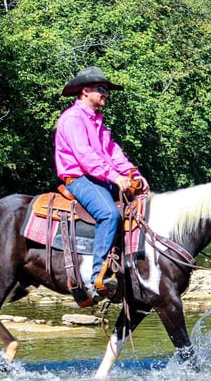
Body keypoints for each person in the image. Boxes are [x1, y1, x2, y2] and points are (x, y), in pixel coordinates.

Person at [54, 66, 149, 303]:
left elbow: (111, 151)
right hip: (79, 179)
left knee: (139, 209)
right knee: (109, 214)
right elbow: (85, 156)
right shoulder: (72, 119)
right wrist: (116, 178)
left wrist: (131, 172)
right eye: (101, 89)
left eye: (106, 89)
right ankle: (97, 276)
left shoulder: (97, 121)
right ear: (85, 91)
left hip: (99, 178)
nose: (106, 93)